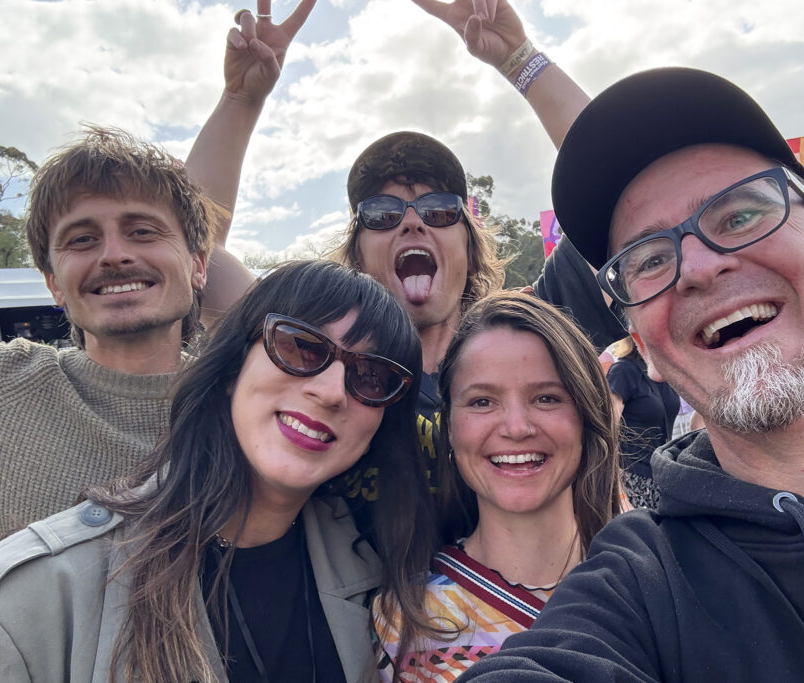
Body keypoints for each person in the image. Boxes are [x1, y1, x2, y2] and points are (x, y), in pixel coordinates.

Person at [460, 67, 804, 681]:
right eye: (650, 258)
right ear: (641, 345)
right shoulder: (637, 586)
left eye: (739, 216)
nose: (699, 267)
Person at [187, 0, 624, 497]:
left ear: (470, 246)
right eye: (381, 215)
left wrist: (519, 60)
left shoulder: (534, 340)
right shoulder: (301, 356)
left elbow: (622, 193)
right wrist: (241, 101)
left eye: (438, 211)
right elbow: (190, 251)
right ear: (357, 255)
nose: (412, 223)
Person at [0, 260, 440, 682]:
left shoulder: (379, 572)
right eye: (299, 347)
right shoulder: (19, 606)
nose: (332, 391)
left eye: (371, 377)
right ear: (230, 368)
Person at [0, 126, 223, 571]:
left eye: (142, 231)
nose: (114, 255)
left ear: (198, 265)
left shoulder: (245, 402)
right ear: (53, 283)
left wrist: (242, 99)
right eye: (81, 239)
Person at [373, 292, 621, 681]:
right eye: (482, 402)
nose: (517, 427)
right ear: (449, 428)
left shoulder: (654, 580)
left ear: (587, 416)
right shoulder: (402, 622)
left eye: (546, 398)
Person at [606, 336, 679, 510]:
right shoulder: (623, 371)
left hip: (663, 475)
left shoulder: (664, 374)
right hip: (633, 478)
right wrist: (617, 490)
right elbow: (606, 429)